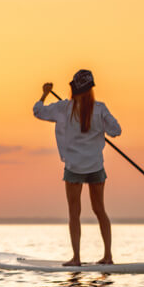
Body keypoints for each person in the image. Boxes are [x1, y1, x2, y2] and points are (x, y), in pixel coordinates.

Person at [34, 69, 122, 266]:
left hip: (74, 168)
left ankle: (76, 258)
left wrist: (45, 93)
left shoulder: (64, 108)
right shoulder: (100, 109)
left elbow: (37, 111)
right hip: (96, 167)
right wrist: (101, 128)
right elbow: (116, 130)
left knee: (74, 213)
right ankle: (108, 256)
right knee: (100, 210)